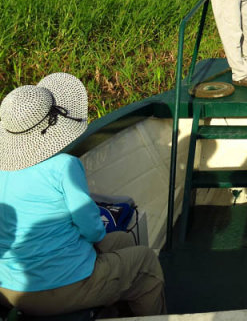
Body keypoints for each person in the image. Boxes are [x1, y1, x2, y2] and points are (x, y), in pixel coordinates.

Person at [0, 73, 166, 316]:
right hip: (57, 288)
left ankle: (115, 306)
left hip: (8, 286)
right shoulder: (62, 166)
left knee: (122, 241)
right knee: (146, 263)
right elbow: (91, 228)